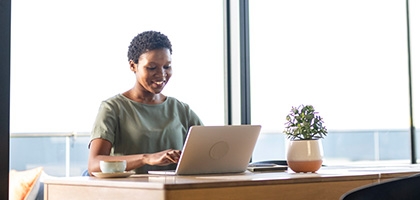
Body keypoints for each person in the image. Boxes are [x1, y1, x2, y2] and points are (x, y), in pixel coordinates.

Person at [87, 31, 203, 175]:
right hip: (132, 193)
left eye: (167, 66)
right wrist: (146, 158)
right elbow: (94, 164)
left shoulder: (181, 110)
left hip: (174, 192)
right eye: (152, 67)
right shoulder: (113, 108)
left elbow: (209, 152)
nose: (161, 74)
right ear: (133, 66)